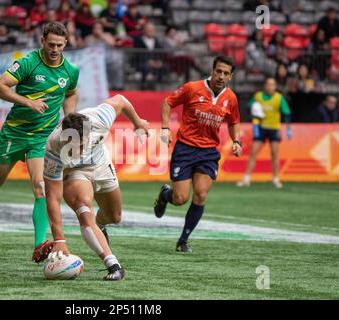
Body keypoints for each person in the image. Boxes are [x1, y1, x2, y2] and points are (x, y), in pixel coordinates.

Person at [0, 22, 79, 264]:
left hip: (42, 138)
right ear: (42, 40)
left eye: (59, 45)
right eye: (51, 44)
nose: (55, 49)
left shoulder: (70, 70)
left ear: (66, 44)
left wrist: (69, 118)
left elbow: (70, 93)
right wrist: (27, 102)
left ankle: (39, 245)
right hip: (14, 134)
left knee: (41, 187)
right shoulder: (28, 62)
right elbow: (0, 87)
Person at [42, 94, 149, 280]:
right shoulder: (53, 147)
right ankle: (113, 265)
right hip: (75, 173)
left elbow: (121, 100)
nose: (80, 149)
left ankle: (99, 226)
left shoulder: (99, 118)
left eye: (83, 143)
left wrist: (138, 122)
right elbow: (52, 196)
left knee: (114, 216)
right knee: (84, 210)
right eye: (75, 145)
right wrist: (59, 239)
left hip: (101, 164)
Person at [154, 56, 242, 253]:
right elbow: (168, 103)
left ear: (230, 76)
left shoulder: (231, 98)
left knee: (201, 194)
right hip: (185, 148)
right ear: (212, 71)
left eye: (226, 73)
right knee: (180, 198)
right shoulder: (193, 88)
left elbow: (234, 121)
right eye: (218, 71)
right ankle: (164, 195)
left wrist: (236, 141)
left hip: (209, 152)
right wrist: (166, 128)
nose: (221, 76)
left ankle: (183, 240)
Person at [237, 77, 292, 189]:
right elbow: (248, 107)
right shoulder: (258, 96)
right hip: (261, 128)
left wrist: (288, 128)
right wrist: (253, 113)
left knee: (275, 154)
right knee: (253, 152)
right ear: (265, 86)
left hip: (274, 129)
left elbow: (286, 113)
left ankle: (276, 179)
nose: (270, 87)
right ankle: (246, 179)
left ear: (275, 86)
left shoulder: (279, 98)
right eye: (268, 84)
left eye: (272, 84)